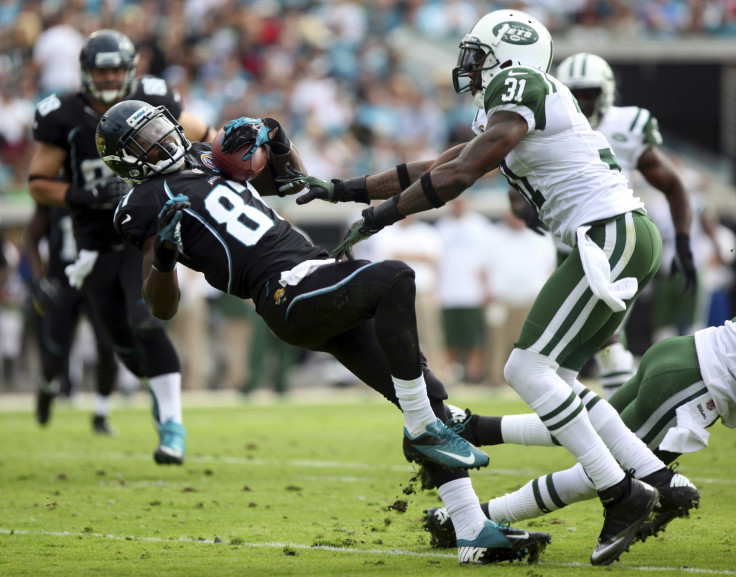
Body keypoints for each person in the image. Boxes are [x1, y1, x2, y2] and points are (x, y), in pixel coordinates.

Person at [278, 9, 698, 566]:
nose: (469, 67)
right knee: (561, 389)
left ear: (508, 55)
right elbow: (431, 165)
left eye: (478, 54)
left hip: (609, 232)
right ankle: (655, 477)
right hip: (619, 236)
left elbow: (456, 177)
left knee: (525, 370)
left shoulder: (517, 85)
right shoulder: (514, 105)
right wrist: (341, 189)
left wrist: (380, 217)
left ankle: (622, 493)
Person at [95, 99, 552, 565]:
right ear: (128, 160)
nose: (162, 140)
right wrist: (167, 257)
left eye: (159, 129)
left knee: (429, 398)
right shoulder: (142, 204)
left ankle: (472, 530)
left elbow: (289, 181)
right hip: (283, 291)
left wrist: (277, 142)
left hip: (312, 273)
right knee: (396, 278)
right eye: (146, 142)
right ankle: (426, 429)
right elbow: (162, 305)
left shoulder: (201, 155)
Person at [27, 29, 216, 465]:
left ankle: (172, 425)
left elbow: (206, 137)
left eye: (116, 68)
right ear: (85, 72)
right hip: (93, 245)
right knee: (125, 350)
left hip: (142, 233)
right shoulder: (62, 114)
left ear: (131, 70)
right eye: (101, 69)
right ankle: (157, 392)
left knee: (146, 320)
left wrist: (236, 161)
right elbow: (38, 185)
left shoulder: (155, 99)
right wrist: (83, 196)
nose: (110, 77)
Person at [424, 316, 734, 548]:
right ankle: (471, 520)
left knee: (588, 430)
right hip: (700, 380)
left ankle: (471, 428)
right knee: (606, 474)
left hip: (685, 348)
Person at [554, 52, 695, 398]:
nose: (581, 102)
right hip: (567, 245)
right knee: (571, 347)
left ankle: (621, 424)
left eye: (588, 93)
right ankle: (620, 421)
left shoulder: (626, 125)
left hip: (613, 239)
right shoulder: (550, 123)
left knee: (604, 338)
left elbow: (674, 184)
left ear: (607, 93)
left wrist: (684, 243)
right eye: (574, 93)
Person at [24, 202, 119, 432]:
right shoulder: (53, 193)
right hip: (63, 284)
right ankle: (47, 388)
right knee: (55, 357)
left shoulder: (102, 189)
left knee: (107, 347)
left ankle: (101, 412)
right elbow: (32, 238)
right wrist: (39, 279)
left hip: (97, 283)